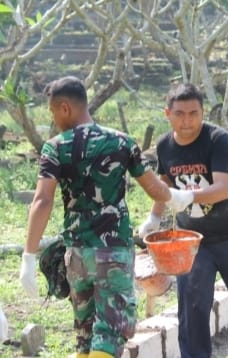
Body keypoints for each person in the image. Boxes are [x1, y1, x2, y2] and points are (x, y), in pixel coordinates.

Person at [18, 76, 187, 358]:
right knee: (110, 333)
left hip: (77, 255)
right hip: (114, 252)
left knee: (85, 334)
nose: (53, 119)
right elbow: (155, 189)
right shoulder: (122, 142)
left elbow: (42, 200)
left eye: (51, 112)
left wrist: (28, 256)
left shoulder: (55, 147)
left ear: (64, 108)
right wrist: (178, 198)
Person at [138, 83, 228, 358]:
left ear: (203, 112)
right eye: (180, 114)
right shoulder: (164, 145)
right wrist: (154, 217)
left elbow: (223, 189)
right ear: (167, 114)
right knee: (192, 310)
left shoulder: (218, 139)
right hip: (193, 242)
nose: (187, 121)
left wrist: (188, 197)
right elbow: (164, 184)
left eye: (193, 113)